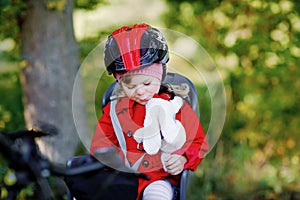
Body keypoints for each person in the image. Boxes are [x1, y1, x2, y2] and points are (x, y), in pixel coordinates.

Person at [90, 23, 209, 200]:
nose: (139, 91)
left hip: (159, 178)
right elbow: (100, 147)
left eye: (147, 83)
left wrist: (183, 159)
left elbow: (198, 142)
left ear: (160, 76)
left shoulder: (174, 106)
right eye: (130, 85)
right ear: (120, 84)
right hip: (123, 179)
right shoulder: (115, 110)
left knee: (156, 196)